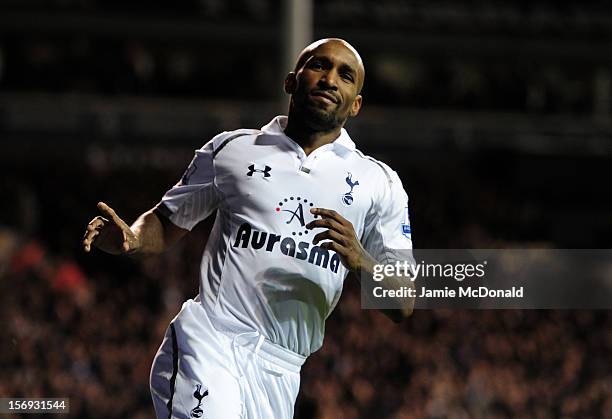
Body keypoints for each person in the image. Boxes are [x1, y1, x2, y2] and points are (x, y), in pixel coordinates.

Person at [82, 38, 414, 419]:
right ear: (291, 81)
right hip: (212, 340)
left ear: (356, 103)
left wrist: (360, 260)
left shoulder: (380, 183)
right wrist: (134, 238)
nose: (329, 80)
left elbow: (403, 302)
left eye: (345, 75)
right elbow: (166, 219)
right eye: (319, 66)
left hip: (283, 372)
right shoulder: (234, 149)